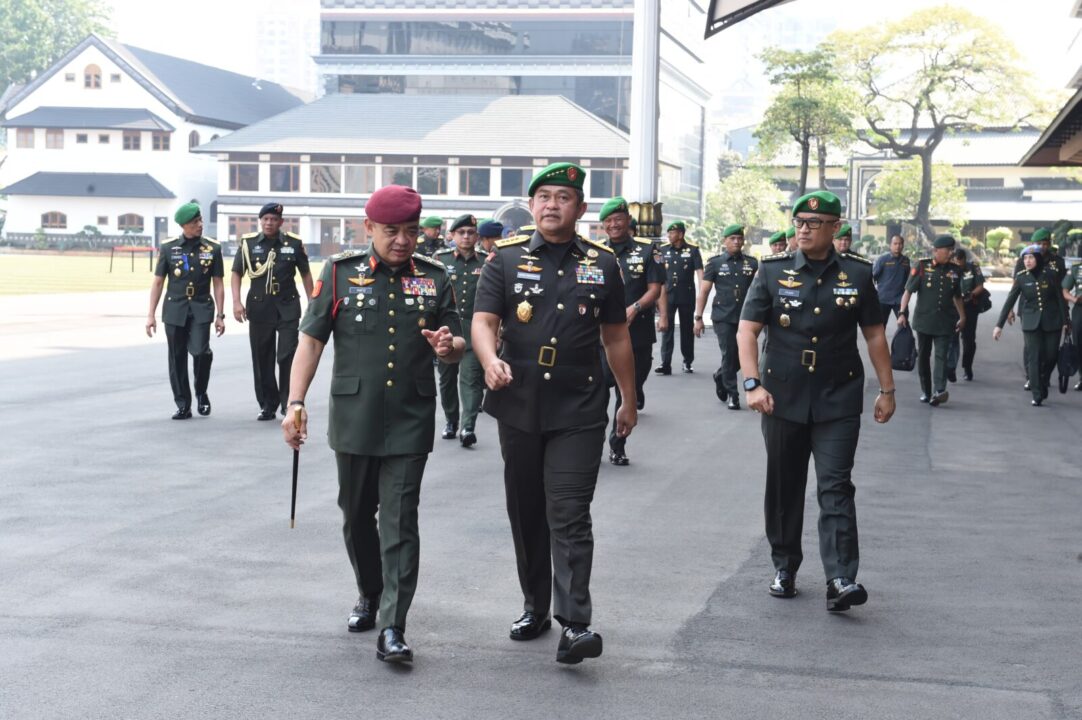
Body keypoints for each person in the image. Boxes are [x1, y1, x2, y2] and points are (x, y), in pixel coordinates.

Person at [281, 185, 465, 664]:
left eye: (409, 232)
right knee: (356, 515)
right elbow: (311, 342)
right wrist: (295, 401)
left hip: (410, 416)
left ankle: (393, 625)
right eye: (391, 231)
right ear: (368, 229)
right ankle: (369, 590)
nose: (402, 241)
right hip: (355, 418)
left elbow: (457, 338)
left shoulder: (435, 277)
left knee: (401, 520)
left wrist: (450, 347)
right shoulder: (340, 274)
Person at [472, 162, 637, 664]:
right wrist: (489, 358)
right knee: (526, 512)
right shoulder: (504, 259)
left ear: (580, 208)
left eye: (562, 197)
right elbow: (483, 321)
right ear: (532, 204)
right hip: (519, 401)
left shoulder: (603, 263)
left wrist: (628, 399)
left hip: (579, 403)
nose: (550, 204)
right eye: (543, 196)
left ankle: (576, 624)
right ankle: (535, 606)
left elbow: (615, 337)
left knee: (569, 512)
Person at [737, 190, 895, 611]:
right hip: (781, 395)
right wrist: (752, 384)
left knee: (836, 485)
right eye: (798, 222)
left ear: (835, 227)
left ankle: (841, 577)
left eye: (812, 223)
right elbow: (747, 330)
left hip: (838, 394)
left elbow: (875, 334)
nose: (802, 229)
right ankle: (785, 566)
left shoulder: (859, 275)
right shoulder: (771, 271)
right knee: (785, 485)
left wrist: (887, 389)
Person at [597, 196, 665, 465]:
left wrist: (635, 307)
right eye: (609, 221)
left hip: (637, 334)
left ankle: (618, 443)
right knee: (598, 391)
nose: (614, 224)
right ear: (604, 225)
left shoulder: (648, 251)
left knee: (629, 391)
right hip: (602, 337)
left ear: (627, 221)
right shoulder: (595, 253)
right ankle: (592, 442)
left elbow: (655, 289)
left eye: (618, 219)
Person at [231, 203, 314, 421]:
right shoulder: (248, 244)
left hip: (287, 306)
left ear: (281, 222)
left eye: (274, 219)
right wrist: (236, 302)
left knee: (287, 354)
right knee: (262, 357)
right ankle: (267, 404)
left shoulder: (293, 244)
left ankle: (289, 401)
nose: (269, 223)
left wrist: (314, 303)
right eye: (265, 219)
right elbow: (236, 273)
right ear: (260, 221)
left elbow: (305, 274)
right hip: (259, 307)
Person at [145, 202, 225, 419]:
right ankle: (183, 404)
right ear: (183, 226)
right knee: (176, 357)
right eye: (194, 223)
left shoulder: (212, 248)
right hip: (175, 309)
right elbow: (158, 282)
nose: (200, 225)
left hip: (201, 307)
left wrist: (220, 315)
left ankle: (201, 391)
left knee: (200, 351)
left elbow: (218, 283)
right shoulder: (169, 248)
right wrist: (150, 314)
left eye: (200, 221)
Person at [433, 214, 485, 447]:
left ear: (477, 236)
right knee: (447, 378)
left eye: (471, 233)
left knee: (471, 378)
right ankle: (451, 420)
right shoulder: (440, 259)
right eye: (461, 232)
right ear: (452, 236)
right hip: (448, 327)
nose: (466, 236)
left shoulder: (487, 261)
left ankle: (467, 427)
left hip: (475, 328)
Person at [994, 245, 1069, 406]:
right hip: (1030, 322)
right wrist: (999, 325)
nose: (1027, 261)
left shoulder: (1051, 275)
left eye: (1031, 258)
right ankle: (1037, 393)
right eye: (1025, 258)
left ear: (1038, 259)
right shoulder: (1021, 277)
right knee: (1033, 357)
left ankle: (1043, 380)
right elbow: (1010, 301)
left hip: (1052, 320)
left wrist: (1066, 322)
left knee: (1051, 356)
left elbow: (1060, 299)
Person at [694, 223, 758, 409]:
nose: (737, 242)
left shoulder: (752, 263)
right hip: (723, 316)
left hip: (746, 316)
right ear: (725, 241)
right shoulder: (715, 263)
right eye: (732, 239)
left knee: (741, 356)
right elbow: (704, 291)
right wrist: (698, 318)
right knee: (729, 354)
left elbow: (760, 292)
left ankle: (721, 375)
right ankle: (733, 394)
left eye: (739, 238)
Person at [896, 235, 965, 406]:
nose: (951, 253)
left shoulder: (955, 271)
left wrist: (963, 316)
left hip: (945, 322)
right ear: (936, 251)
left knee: (942, 356)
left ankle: (939, 390)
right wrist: (902, 312)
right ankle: (926, 391)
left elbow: (957, 297)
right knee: (924, 357)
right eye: (947, 250)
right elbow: (908, 291)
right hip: (924, 321)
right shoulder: (922, 266)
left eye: (952, 250)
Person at [1012, 228, 1067, 389]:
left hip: (1052, 310)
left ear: (1049, 244)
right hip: (1029, 307)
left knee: (1051, 352)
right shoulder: (1024, 259)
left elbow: (1062, 289)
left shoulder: (1058, 261)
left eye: (1045, 243)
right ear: (1033, 244)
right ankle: (1031, 377)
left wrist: (1065, 316)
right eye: (1039, 243)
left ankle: (1044, 375)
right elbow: (1016, 285)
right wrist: (1009, 310)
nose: (1042, 246)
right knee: (1032, 347)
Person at [655, 220, 703, 374]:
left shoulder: (693, 250)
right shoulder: (662, 250)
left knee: (686, 330)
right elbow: (657, 274)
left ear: (681, 234)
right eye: (668, 233)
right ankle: (665, 363)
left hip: (686, 295)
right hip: (668, 295)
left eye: (672, 233)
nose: (669, 235)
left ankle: (687, 361)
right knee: (666, 329)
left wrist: (702, 293)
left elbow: (700, 273)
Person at [945, 247, 987, 382]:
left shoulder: (973, 267)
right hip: (952, 308)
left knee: (969, 341)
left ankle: (967, 367)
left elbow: (981, 286)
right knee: (952, 339)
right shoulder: (948, 269)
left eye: (961, 264)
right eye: (956, 263)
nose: (959, 266)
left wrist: (971, 294)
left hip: (969, 307)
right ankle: (951, 368)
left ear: (964, 260)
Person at [872, 234, 910, 325]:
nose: (898, 246)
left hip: (900, 300)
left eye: (900, 244)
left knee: (904, 326)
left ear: (903, 245)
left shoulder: (906, 260)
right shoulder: (882, 259)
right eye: (895, 243)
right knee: (880, 327)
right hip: (883, 299)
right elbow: (873, 276)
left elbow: (908, 279)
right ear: (890, 245)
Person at [1062, 253, 1082, 391]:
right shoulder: (1076, 269)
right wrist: (1074, 300)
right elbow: (1064, 290)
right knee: (1079, 345)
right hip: (1080, 311)